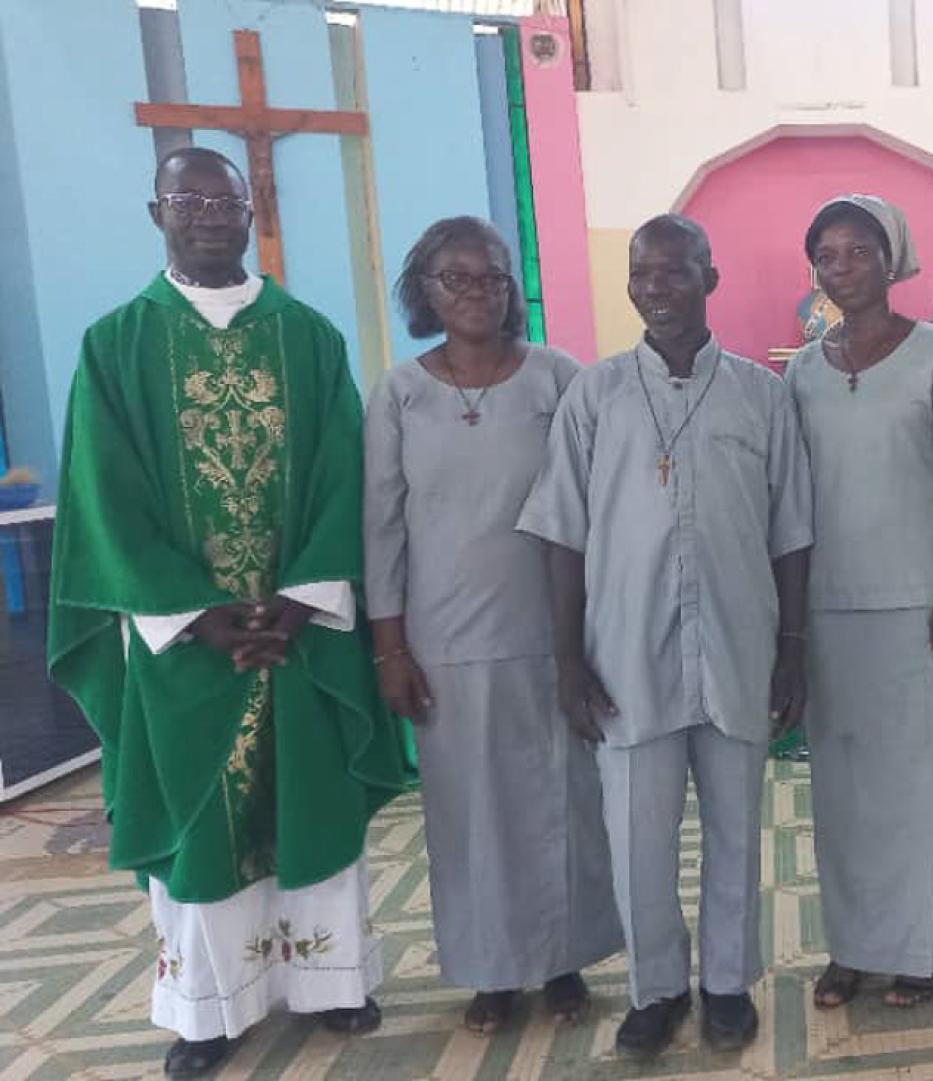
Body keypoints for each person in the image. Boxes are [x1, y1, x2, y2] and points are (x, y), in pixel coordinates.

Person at [47, 147, 406, 1078]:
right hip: (184, 645)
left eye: (225, 200)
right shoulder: (117, 343)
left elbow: (345, 471)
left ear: (252, 211)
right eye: (188, 199)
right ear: (156, 212)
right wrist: (196, 612)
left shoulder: (309, 337)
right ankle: (209, 1008)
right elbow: (102, 495)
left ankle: (331, 982)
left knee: (310, 793)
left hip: (298, 634)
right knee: (200, 813)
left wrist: (302, 600)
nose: (208, 214)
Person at [516, 214, 812, 1057]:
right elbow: (560, 532)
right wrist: (567, 660)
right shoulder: (596, 395)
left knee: (735, 829)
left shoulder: (762, 394)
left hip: (737, 646)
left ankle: (727, 985)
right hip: (624, 653)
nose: (657, 289)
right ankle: (656, 989)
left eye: (676, 272)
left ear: (709, 279)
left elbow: (792, 531)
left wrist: (793, 649)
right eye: (642, 274)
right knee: (637, 837)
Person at [362, 217, 622, 1033]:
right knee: (469, 814)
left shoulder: (557, 377)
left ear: (513, 289)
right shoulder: (400, 393)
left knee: (562, 800)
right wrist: (390, 646)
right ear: (424, 290)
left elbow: (597, 501)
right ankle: (492, 971)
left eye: (492, 277)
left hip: (553, 633)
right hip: (443, 643)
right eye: (456, 277)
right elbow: (381, 526)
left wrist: (594, 634)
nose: (476, 291)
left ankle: (565, 959)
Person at [787, 195, 933, 1011]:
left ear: (891, 258)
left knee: (921, 785)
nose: (842, 267)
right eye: (827, 255)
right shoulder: (804, 371)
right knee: (844, 791)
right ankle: (852, 948)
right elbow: (792, 498)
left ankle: (921, 950)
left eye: (858, 251)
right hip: (831, 611)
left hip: (920, 607)